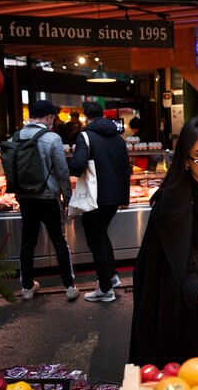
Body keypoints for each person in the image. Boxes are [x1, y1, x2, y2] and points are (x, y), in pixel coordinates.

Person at [129, 117, 198, 366]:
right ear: (186, 162)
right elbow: (180, 267)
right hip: (171, 284)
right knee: (180, 360)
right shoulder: (175, 199)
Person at [15, 100, 79, 301]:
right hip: (49, 197)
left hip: (25, 197)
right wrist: (68, 197)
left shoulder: (16, 136)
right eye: (53, 117)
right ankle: (69, 286)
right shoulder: (52, 138)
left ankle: (26, 288)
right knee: (59, 240)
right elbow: (61, 170)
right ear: (49, 117)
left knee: (28, 242)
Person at [69, 102, 130, 302]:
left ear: (86, 116)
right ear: (102, 115)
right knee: (101, 234)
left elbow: (77, 167)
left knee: (96, 239)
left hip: (96, 197)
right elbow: (125, 170)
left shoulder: (85, 136)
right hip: (114, 197)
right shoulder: (119, 139)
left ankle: (105, 289)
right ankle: (112, 278)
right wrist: (125, 198)